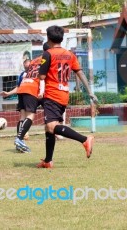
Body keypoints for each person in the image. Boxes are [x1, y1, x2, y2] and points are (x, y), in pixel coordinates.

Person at [37, 25, 98, 168]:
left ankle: (85, 139)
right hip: (64, 94)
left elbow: (41, 75)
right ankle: (47, 161)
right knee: (49, 129)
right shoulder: (70, 54)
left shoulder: (48, 54)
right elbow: (80, 73)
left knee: (52, 126)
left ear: (48, 38)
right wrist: (90, 91)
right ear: (62, 38)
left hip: (52, 94)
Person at [0, 57, 44, 153]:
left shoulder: (27, 73)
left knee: (22, 117)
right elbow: (42, 80)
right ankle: (19, 139)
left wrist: (8, 93)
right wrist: (42, 91)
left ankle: (20, 141)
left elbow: (19, 87)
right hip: (31, 91)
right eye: (25, 64)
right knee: (30, 116)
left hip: (22, 91)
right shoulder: (41, 67)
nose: (26, 66)